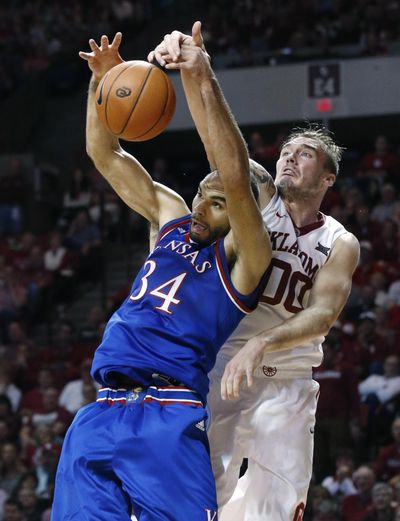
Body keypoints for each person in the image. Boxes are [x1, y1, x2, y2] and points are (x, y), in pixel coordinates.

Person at [51, 31, 271, 521]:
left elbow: (236, 177)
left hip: (168, 414)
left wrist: (200, 74)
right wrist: (101, 83)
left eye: (217, 203)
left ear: (243, 216)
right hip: (101, 412)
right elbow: (105, 155)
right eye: (200, 192)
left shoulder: (246, 260)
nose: (199, 205)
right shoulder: (171, 221)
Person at [149, 20, 360, 520]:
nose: (289, 159)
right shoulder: (259, 200)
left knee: (274, 510)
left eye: (304, 155)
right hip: (224, 362)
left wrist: (266, 343)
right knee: (202, 498)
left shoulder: (340, 242)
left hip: (287, 376)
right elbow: (219, 142)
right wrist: (197, 72)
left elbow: (324, 312)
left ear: (327, 177)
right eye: (286, 152)